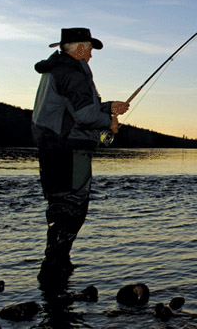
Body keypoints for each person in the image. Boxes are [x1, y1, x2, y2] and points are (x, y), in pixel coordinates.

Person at [31, 28, 129, 286]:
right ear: (78, 47)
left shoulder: (56, 69)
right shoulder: (73, 72)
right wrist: (109, 122)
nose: (91, 55)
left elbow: (73, 108)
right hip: (69, 148)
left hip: (52, 147)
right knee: (73, 207)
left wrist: (108, 107)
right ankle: (55, 269)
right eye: (89, 49)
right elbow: (84, 116)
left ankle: (56, 269)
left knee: (59, 205)